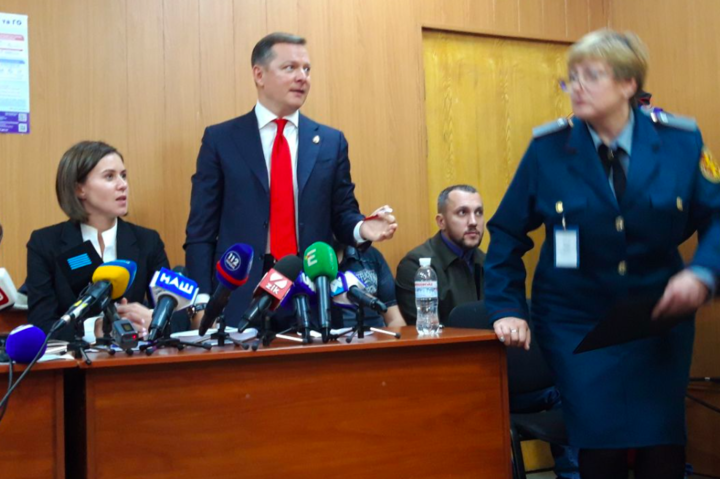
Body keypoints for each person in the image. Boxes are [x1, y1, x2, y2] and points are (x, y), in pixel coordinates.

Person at [484, 29, 720, 479]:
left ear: (628, 84)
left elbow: (716, 216)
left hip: (658, 316)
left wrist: (703, 274)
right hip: (577, 321)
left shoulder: (680, 141)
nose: (577, 87)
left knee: (662, 444)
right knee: (600, 442)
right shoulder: (549, 150)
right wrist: (506, 306)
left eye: (591, 76)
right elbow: (506, 232)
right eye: (570, 78)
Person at [185, 32, 396, 330]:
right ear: (259, 74)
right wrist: (202, 300)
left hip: (309, 294)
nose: (302, 77)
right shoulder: (221, 140)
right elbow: (200, 231)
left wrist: (362, 228)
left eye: (307, 69)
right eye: (290, 68)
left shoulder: (330, 142)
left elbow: (342, 214)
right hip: (240, 295)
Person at [26, 141, 172, 342]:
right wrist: (94, 329)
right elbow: (41, 324)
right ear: (79, 189)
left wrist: (155, 319)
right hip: (74, 360)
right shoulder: (46, 243)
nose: (123, 185)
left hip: (135, 357)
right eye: (109, 176)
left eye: (123, 175)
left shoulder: (147, 241)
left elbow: (178, 313)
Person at [395, 185, 485, 324]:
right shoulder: (417, 267)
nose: (473, 222)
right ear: (441, 222)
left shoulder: (489, 262)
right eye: (462, 212)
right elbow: (425, 331)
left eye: (478, 212)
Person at [332, 238, 405, 329]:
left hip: (375, 334)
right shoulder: (315, 260)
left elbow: (394, 318)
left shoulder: (371, 256)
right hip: (333, 336)